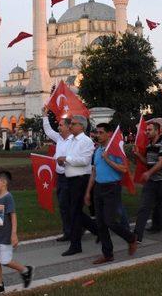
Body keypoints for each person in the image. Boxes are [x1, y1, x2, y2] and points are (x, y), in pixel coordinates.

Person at [84, 123, 137, 264]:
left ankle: (131, 238)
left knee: (110, 221)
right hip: (98, 188)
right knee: (100, 224)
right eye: (97, 132)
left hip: (112, 188)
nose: (98, 135)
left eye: (101, 132)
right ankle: (108, 254)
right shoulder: (97, 150)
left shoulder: (114, 150)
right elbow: (94, 172)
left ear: (109, 134)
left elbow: (124, 169)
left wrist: (107, 159)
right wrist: (88, 192)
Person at [60, 115, 98, 256]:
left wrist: (67, 159)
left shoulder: (86, 141)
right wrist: (63, 161)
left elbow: (84, 161)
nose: (70, 126)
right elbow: (71, 158)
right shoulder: (72, 141)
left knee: (74, 213)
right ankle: (97, 230)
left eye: (74, 124)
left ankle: (76, 245)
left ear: (82, 126)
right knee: (73, 212)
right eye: (70, 124)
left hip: (80, 179)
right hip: (70, 179)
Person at [42, 107, 73, 242]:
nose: (58, 127)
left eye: (60, 125)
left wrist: (64, 162)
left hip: (70, 177)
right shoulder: (59, 138)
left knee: (68, 205)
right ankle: (69, 231)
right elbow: (48, 130)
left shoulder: (74, 140)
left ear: (67, 127)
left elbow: (76, 159)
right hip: (60, 177)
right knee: (64, 205)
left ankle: (73, 231)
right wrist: (44, 115)